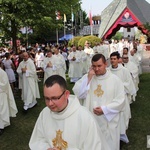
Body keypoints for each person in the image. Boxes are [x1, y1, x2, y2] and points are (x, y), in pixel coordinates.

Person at [29, 75, 109, 150]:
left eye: (55, 98)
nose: (50, 103)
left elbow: (94, 147)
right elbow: (38, 140)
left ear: (66, 94)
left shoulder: (84, 117)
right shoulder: (45, 113)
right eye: (47, 98)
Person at [73, 54, 125, 150]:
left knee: (109, 145)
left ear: (105, 64)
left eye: (99, 66)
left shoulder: (115, 80)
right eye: (94, 66)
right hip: (91, 119)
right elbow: (79, 94)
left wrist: (105, 109)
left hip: (108, 120)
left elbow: (120, 100)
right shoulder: (88, 77)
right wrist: (88, 79)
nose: (96, 69)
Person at [109, 52, 136, 143]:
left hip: (121, 97)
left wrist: (119, 85)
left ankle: (122, 133)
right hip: (111, 98)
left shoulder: (124, 70)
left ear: (118, 59)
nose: (112, 61)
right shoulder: (108, 71)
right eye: (111, 59)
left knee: (122, 115)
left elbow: (128, 83)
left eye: (114, 59)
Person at [0, 67, 18, 135]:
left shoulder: (2, 72)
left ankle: (2, 125)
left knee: (2, 109)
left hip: (1, 94)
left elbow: (4, 84)